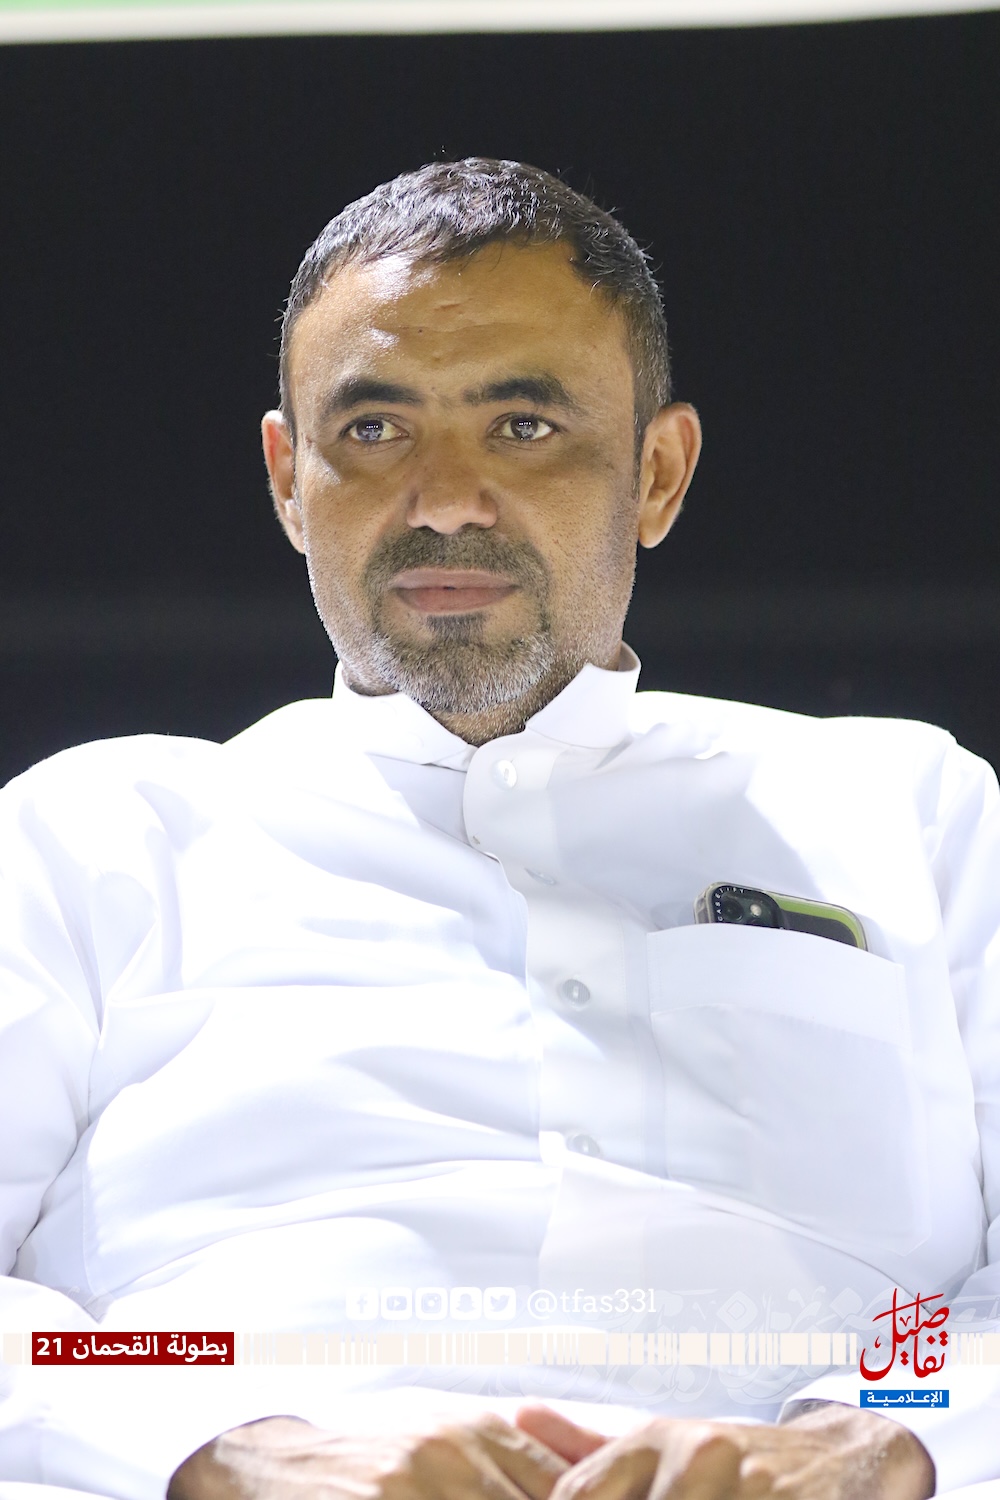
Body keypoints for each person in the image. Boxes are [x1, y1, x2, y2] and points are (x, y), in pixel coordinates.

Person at [1, 158, 998, 1500]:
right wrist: (228, 1437)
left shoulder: (907, 810)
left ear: (657, 472)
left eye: (523, 425)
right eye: (374, 428)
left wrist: (868, 1431)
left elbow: (975, 1313)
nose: (445, 499)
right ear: (289, 479)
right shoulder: (97, 837)